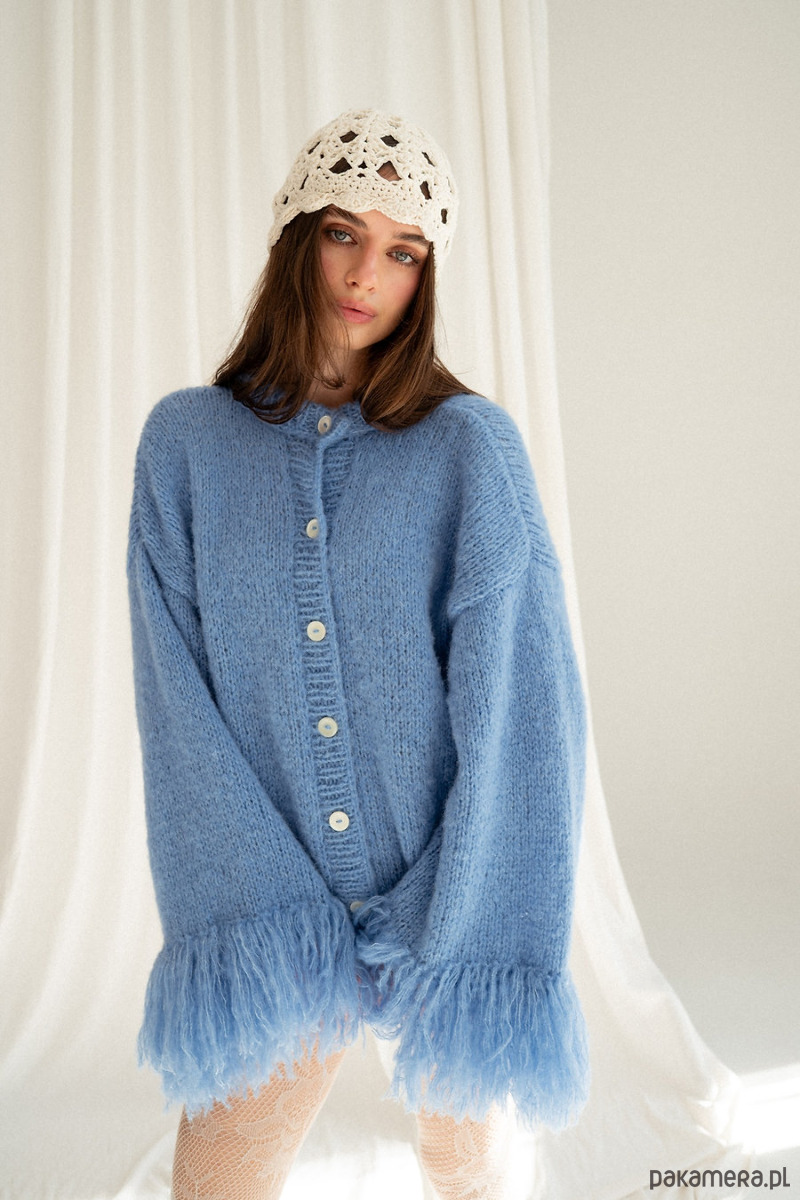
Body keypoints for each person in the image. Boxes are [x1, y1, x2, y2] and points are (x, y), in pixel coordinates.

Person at [127, 108, 590, 1200]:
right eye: (344, 232)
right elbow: (173, 705)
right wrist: (276, 906)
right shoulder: (185, 446)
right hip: (266, 907)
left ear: (426, 275)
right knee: (216, 1180)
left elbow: (524, 714)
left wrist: (453, 905)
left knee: (470, 1175)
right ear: (297, 234)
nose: (366, 274)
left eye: (403, 250)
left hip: (451, 899)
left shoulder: (469, 450)